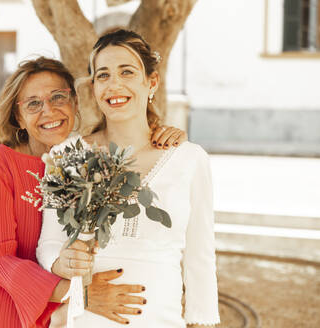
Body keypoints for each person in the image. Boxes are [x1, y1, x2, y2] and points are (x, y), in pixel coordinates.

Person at [0, 56, 187, 327]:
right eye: (33, 103)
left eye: (58, 98)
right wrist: (78, 294)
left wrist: (164, 137)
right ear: (18, 116)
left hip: (57, 318)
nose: (48, 111)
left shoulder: (88, 158)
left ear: (75, 102)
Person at [36, 30, 220, 327]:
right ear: (94, 87)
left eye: (127, 72)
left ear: (152, 82)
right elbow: (48, 244)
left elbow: (201, 257)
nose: (114, 85)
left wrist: (202, 321)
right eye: (103, 75)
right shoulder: (66, 156)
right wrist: (61, 262)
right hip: (88, 320)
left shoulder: (190, 159)